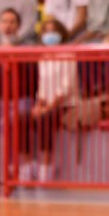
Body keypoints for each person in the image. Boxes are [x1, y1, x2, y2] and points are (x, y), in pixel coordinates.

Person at [17, 18, 79, 183]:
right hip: (47, 104)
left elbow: (66, 88)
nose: (50, 35)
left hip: (66, 104)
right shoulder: (43, 57)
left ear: (61, 34)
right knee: (21, 118)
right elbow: (42, 86)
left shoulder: (68, 54)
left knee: (45, 119)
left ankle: (46, 166)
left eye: (54, 31)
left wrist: (48, 108)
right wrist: (39, 105)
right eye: (46, 31)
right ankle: (27, 166)